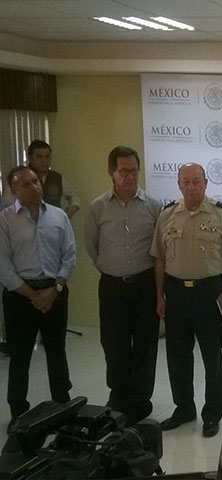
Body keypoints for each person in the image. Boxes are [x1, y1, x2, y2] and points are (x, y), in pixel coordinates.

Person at [151, 163, 222, 438]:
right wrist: (159, 294)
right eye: (186, 182)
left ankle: (213, 413)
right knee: (177, 356)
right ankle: (184, 408)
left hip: (209, 294)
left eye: (197, 181)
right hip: (176, 293)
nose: (191, 187)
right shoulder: (167, 214)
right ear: (178, 184)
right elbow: (159, 258)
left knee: (212, 356)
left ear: (206, 183)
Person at [84, 146, 162, 425]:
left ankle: (141, 398)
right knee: (114, 343)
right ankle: (118, 396)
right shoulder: (98, 207)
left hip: (144, 285)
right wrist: (112, 268)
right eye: (123, 171)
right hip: (112, 287)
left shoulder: (153, 206)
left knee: (145, 343)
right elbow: (92, 246)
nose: (130, 176)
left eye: (134, 171)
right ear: (111, 173)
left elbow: (159, 250)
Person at [0, 166, 76, 434]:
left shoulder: (58, 216)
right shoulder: (5, 220)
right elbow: (3, 265)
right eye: (26, 184)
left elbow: (69, 255)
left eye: (36, 181)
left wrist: (55, 289)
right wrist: (33, 295)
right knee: (20, 356)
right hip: (20, 297)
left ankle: (62, 406)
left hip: (55, 292)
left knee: (56, 352)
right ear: (13, 190)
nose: (34, 186)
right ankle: (18, 412)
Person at [0, 140, 81, 217]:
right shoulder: (20, 178)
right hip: (25, 223)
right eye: (39, 157)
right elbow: (5, 206)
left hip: (53, 223)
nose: (44, 161)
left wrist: (67, 214)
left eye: (47, 156)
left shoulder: (57, 178)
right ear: (30, 158)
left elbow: (74, 198)